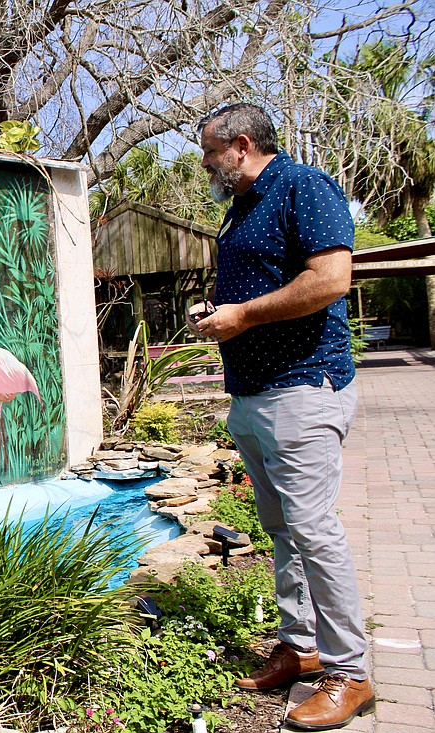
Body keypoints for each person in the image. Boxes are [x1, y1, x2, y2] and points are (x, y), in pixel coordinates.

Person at [189, 103, 374, 731]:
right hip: (253, 390)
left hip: (301, 387)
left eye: (210, 153)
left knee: (314, 530)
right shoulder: (241, 208)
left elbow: (330, 280)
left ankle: (351, 673)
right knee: (283, 530)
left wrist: (243, 316)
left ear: (240, 145)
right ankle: (301, 648)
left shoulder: (305, 187)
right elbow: (266, 286)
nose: (206, 165)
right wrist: (225, 312)